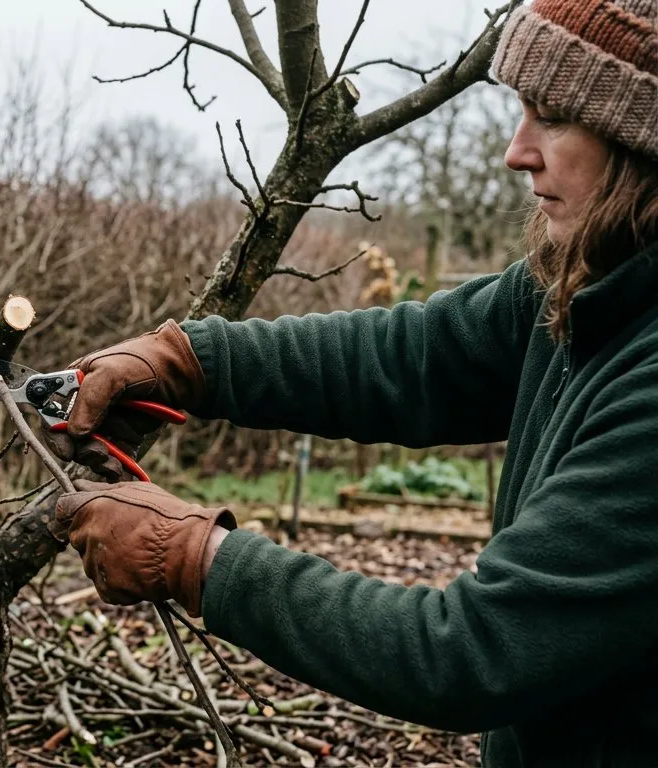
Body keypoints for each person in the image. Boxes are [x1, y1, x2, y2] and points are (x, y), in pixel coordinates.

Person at [48, 1, 658, 765]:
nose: (517, 151)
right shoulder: (595, 280)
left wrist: (194, 557)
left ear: (643, 145)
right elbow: (415, 356)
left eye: (556, 118)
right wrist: (190, 363)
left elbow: (469, 653)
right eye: (520, 111)